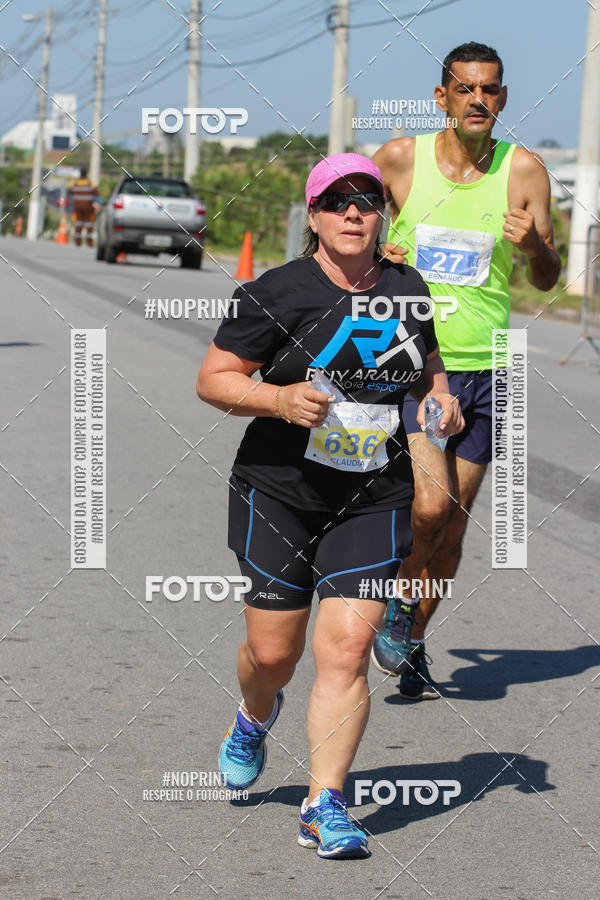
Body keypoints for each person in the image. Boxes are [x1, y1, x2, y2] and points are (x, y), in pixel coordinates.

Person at [196, 153, 464, 859]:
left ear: (383, 216)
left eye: (367, 201)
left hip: (374, 495)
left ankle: (326, 803)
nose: (353, 212)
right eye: (337, 201)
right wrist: (280, 399)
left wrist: (438, 395)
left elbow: (425, 359)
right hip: (280, 491)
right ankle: (255, 715)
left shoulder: (408, 286)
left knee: (345, 650)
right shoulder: (276, 293)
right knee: (273, 653)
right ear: (313, 216)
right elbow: (215, 379)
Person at [371, 42, 561, 698]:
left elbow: (549, 276)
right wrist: (376, 253)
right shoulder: (399, 159)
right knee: (430, 507)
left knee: (455, 523)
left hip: (488, 367)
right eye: (466, 89)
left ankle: (414, 637)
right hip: (421, 364)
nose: (479, 99)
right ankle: (397, 607)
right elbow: (338, 235)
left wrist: (535, 244)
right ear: (442, 97)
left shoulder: (525, 171)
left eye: (491, 90)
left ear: (503, 98)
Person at [67, 165, 100, 247]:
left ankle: (78, 241)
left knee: (78, 223)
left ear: (80, 174)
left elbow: (69, 191)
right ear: (86, 174)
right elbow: (97, 193)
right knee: (89, 224)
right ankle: (89, 242)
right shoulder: (91, 183)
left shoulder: (75, 183)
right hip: (88, 207)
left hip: (77, 207)